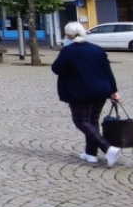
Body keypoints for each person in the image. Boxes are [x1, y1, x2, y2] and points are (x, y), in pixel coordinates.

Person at [51, 21, 122, 167]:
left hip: (81, 91)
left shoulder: (69, 51)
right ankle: (91, 153)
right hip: (102, 90)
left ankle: (108, 148)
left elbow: (56, 68)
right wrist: (114, 90)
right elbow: (108, 71)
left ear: (68, 35)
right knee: (92, 120)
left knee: (81, 121)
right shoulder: (97, 49)